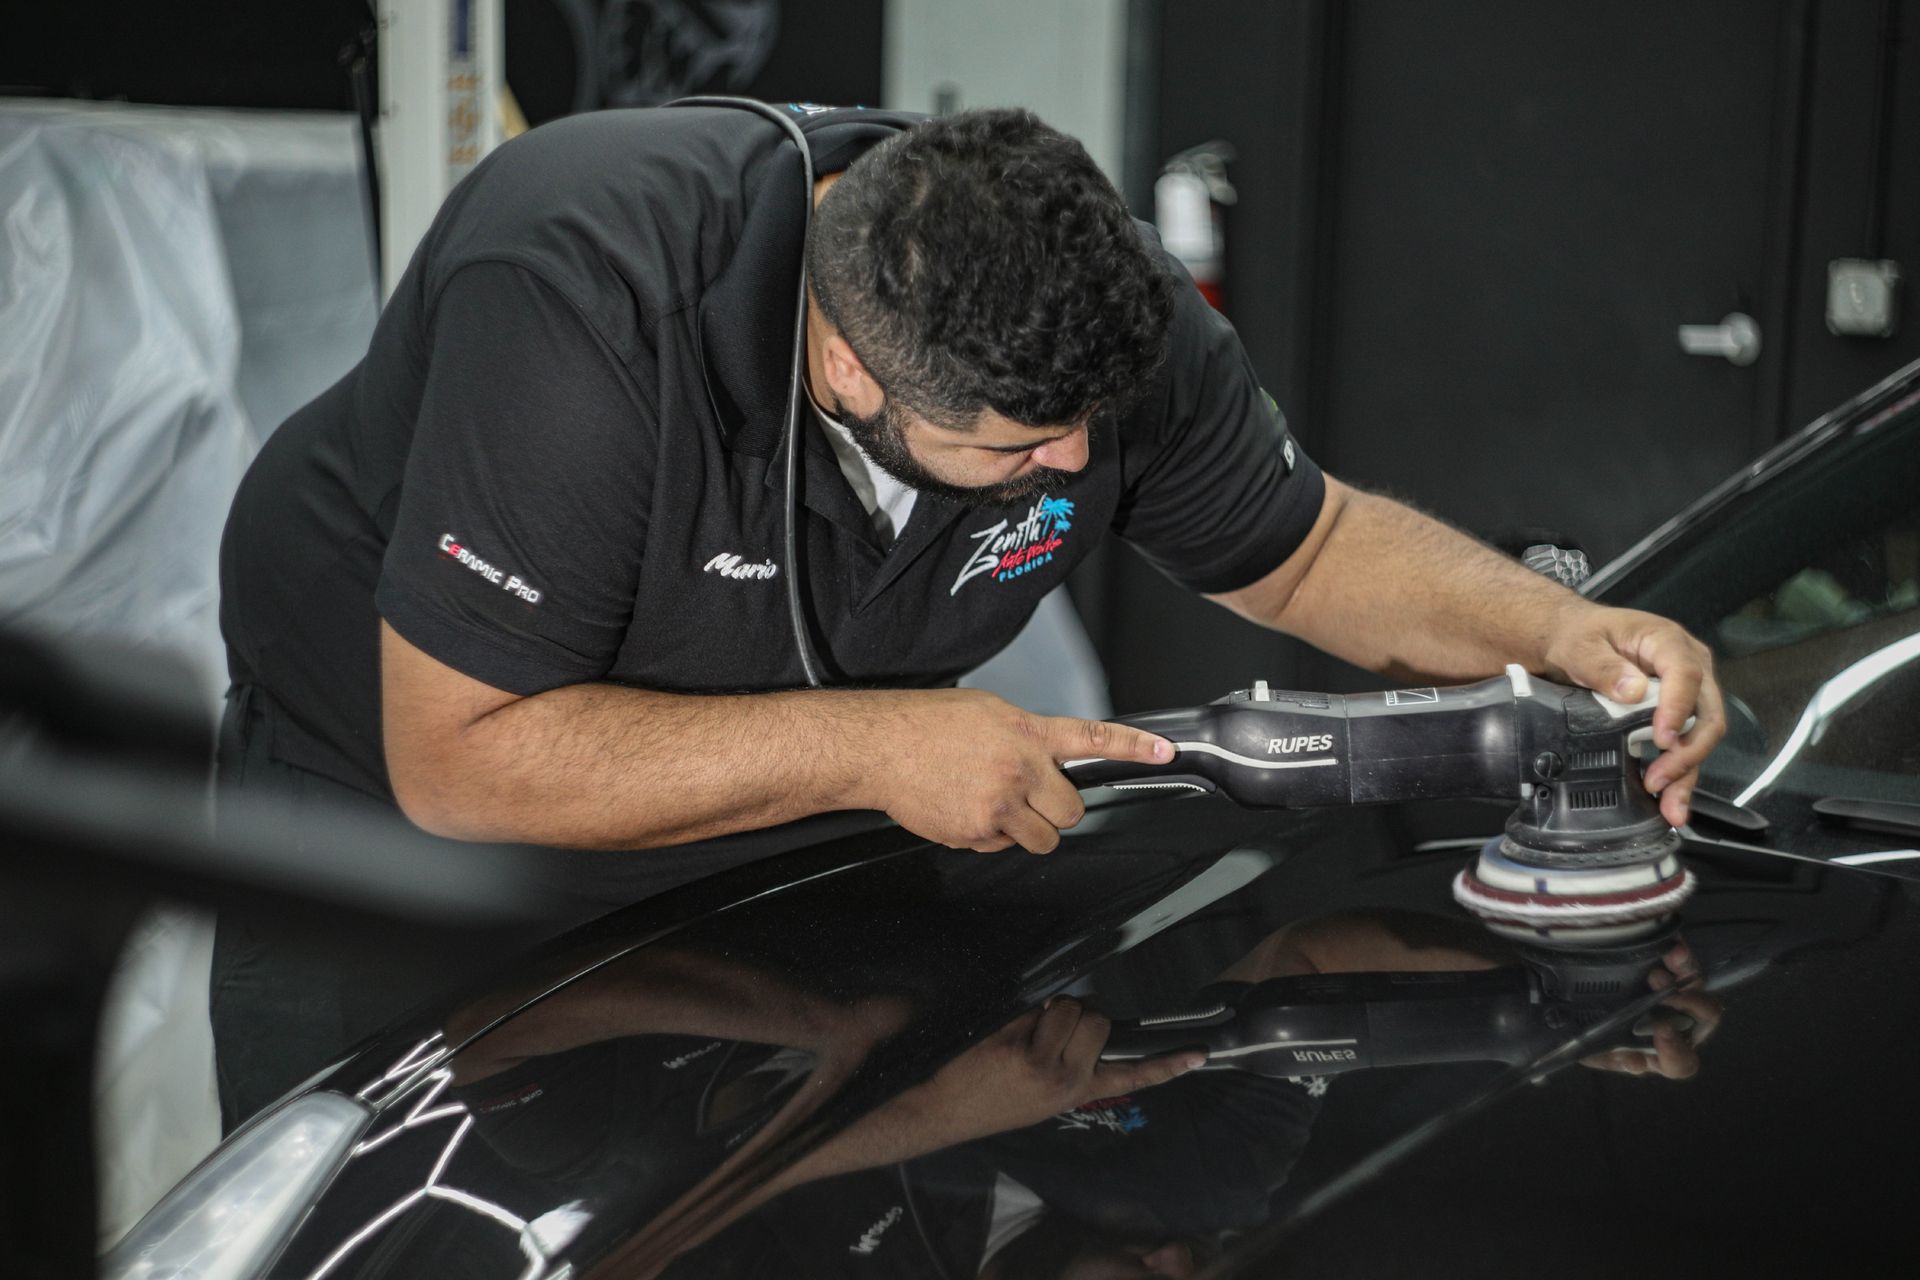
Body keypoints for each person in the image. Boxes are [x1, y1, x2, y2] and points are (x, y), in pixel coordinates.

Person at [212, 103, 1725, 1128]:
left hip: (772, 810)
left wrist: (1567, 632)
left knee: (778, 1185)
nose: (1071, 467)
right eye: (1016, 446)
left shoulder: (1083, 313)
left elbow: (1310, 550)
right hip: (395, 808)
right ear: (853, 368)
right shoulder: (586, 299)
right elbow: (463, 758)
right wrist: (881, 744)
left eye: (1086, 427)